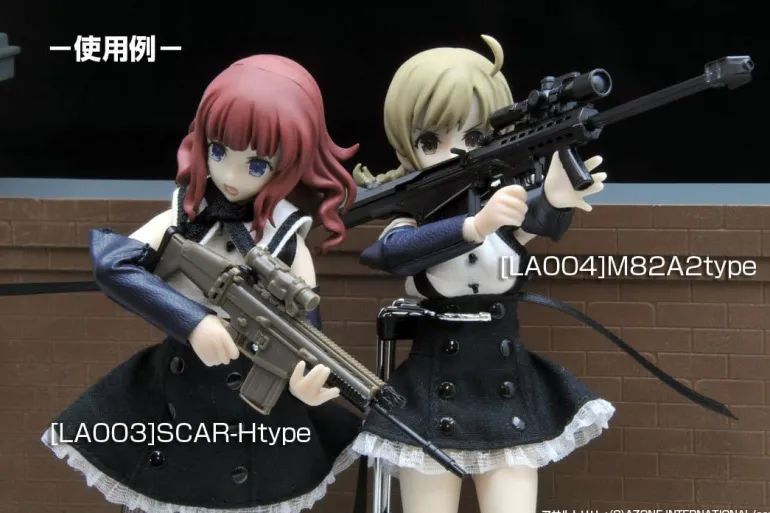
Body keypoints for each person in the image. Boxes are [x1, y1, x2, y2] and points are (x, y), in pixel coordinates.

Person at [41, 54, 362, 513]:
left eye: (256, 165)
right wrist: (192, 321)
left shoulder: (286, 238)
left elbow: (308, 332)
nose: (230, 176)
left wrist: (305, 383)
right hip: (178, 398)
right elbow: (112, 263)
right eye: (219, 151)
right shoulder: (186, 218)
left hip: (256, 410)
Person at [351, 35, 615, 513]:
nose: (455, 152)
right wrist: (473, 226)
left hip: (504, 381)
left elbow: (534, 225)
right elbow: (391, 253)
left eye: (473, 138)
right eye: (430, 142)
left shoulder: (501, 209)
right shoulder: (418, 214)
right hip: (434, 386)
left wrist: (556, 198)